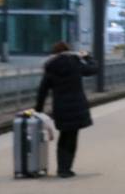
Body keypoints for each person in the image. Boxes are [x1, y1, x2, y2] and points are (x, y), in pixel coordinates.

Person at [35, 41, 97, 178]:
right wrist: (88, 57)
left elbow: (42, 90)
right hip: (77, 106)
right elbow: (93, 69)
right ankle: (66, 169)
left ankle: (62, 168)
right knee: (72, 137)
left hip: (60, 107)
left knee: (63, 136)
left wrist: (38, 110)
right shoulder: (75, 62)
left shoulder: (51, 66)